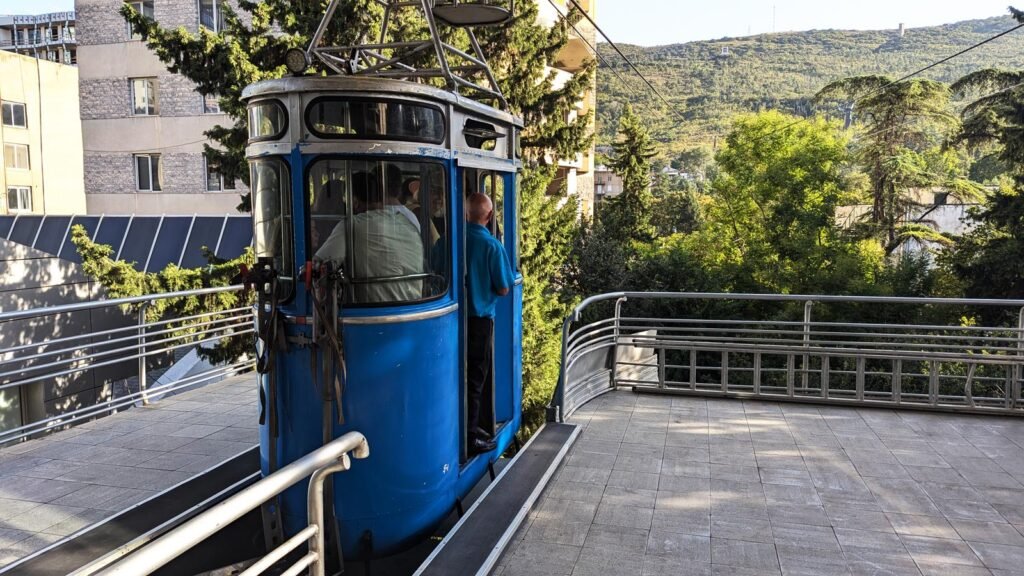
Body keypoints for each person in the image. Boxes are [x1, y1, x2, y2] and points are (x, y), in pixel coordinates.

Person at [315, 171, 424, 304]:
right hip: (415, 307)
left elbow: (318, 266)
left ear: (354, 201)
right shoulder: (406, 222)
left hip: (373, 312)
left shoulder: (352, 225)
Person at [464, 192, 514, 455]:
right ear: (490, 216)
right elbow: (504, 288)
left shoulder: (450, 242)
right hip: (480, 321)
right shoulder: (492, 246)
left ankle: (460, 429)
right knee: (475, 379)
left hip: (453, 321)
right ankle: (471, 437)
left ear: (466, 213)